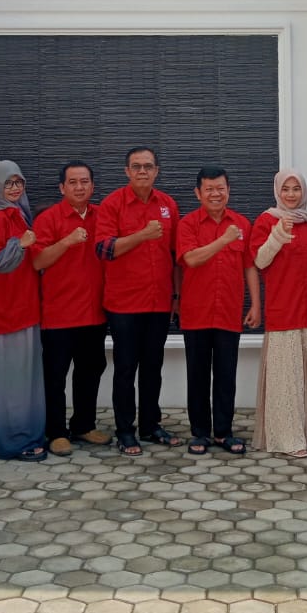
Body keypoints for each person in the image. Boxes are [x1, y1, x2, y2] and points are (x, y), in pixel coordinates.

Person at [95, 147, 182, 455]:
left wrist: (176, 296)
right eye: (136, 166)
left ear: (156, 171)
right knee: (125, 368)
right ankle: (124, 430)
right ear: (127, 171)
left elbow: (175, 254)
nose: (142, 171)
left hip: (159, 302)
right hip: (124, 304)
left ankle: (150, 425)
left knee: (152, 367)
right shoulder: (112, 204)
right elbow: (104, 249)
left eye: (148, 166)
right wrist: (141, 235)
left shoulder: (168, 204)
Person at [249, 168, 307, 458]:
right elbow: (260, 260)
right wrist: (277, 235)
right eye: (285, 189)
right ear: (277, 191)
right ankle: (288, 437)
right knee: (287, 378)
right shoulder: (267, 220)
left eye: (296, 189)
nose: (290, 194)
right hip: (284, 309)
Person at [177, 166, 258, 455]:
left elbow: (249, 266)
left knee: (226, 376)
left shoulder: (241, 223)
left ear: (228, 190)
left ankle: (224, 432)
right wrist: (223, 240)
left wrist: (256, 304)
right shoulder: (187, 224)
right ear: (198, 193)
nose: (215, 194)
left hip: (228, 311)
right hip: (196, 312)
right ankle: (200, 433)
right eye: (209, 189)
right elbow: (191, 259)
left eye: (220, 188)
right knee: (197, 376)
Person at [33, 160, 110, 457]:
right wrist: (67, 241)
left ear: (92, 186)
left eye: (84, 181)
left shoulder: (103, 216)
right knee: (55, 376)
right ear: (62, 187)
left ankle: (83, 425)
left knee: (90, 371)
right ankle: (55, 431)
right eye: (73, 182)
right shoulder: (48, 219)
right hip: (59, 314)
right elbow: (38, 262)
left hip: (94, 312)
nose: (79, 187)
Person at [0, 160, 46, 461]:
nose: (15, 188)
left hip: (23, 304)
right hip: (9, 309)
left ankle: (22, 435)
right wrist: (21, 244)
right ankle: (12, 441)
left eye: (19, 182)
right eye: (8, 183)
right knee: (12, 381)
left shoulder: (17, 214)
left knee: (23, 378)